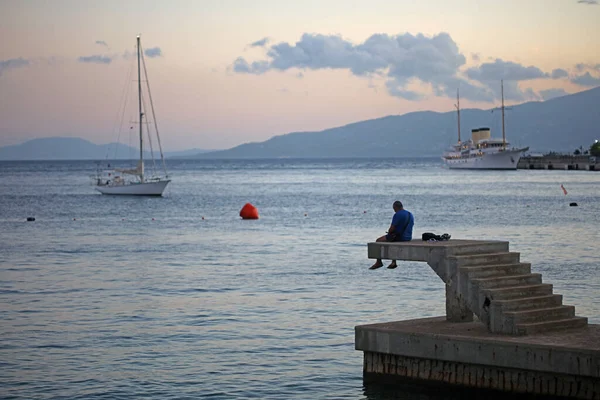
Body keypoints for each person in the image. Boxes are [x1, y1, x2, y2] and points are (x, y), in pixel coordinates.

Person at [369, 200, 414, 270]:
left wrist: (389, 232)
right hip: (408, 237)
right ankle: (393, 262)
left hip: (400, 237)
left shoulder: (397, 214)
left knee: (378, 241)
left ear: (395, 207)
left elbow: (391, 229)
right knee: (392, 240)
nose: (394, 211)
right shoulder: (410, 214)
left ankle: (379, 262)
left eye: (394, 209)